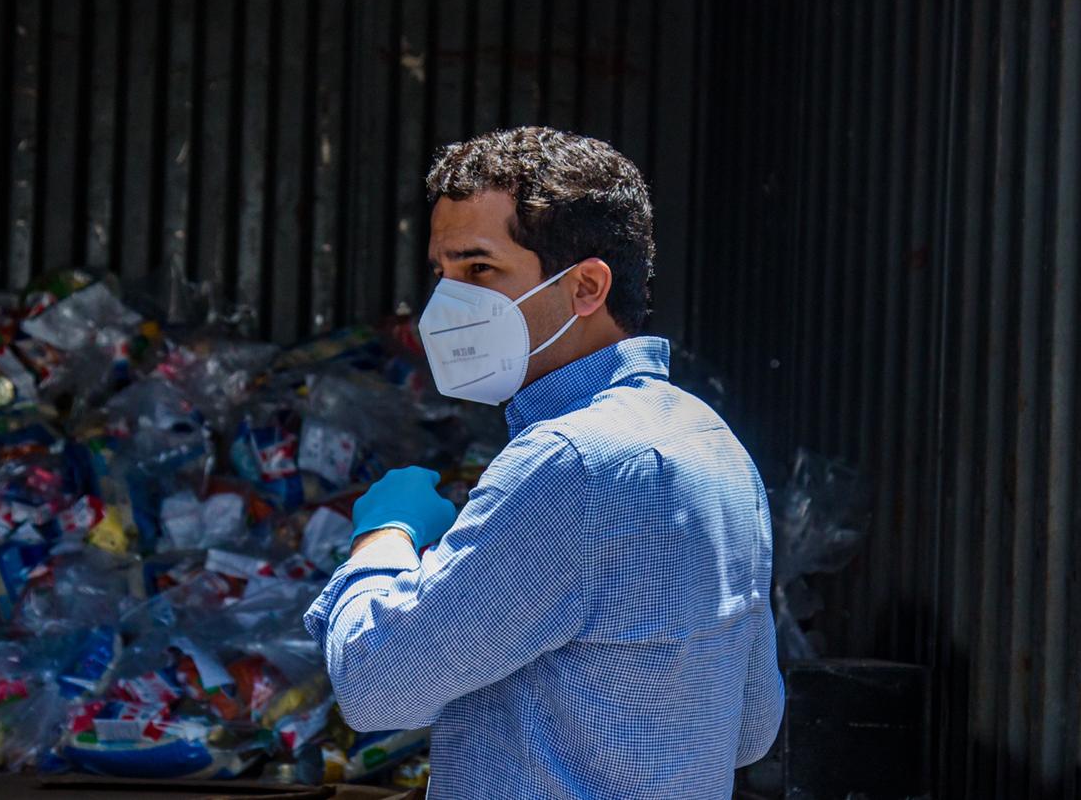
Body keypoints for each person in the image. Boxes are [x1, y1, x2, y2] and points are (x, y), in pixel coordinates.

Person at [303, 126, 784, 799]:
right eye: (443, 273)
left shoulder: (567, 464)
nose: (448, 306)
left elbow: (376, 685)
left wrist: (384, 534)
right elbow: (751, 726)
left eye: (480, 269)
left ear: (586, 286)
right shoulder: (716, 446)